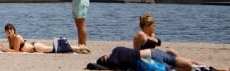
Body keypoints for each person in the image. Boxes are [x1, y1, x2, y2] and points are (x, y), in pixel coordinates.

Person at [133, 13, 205, 71]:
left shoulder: (151, 34)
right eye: (153, 26)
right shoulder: (140, 35)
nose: (155, 27)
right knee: (185, 66)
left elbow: (157, 45)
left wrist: (152, 36)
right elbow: (136, 53)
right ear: (146, 26)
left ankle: (206, 66)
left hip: (159, 55)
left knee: (173, 52)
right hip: (150, 59)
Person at [93, 46, 225, 71]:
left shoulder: (114, 62)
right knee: (184, 63)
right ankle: (213, 68)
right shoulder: (116, 50)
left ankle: (212, 70)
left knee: (180, 67)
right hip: (152, 53)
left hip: (150, 63)